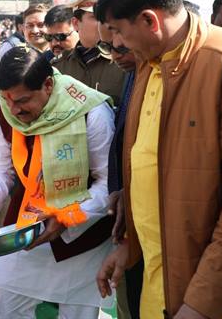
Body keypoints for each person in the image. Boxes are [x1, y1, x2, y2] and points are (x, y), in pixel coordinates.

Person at [94, 0, 222, 319]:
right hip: (157, 281)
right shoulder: (149, 59)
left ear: (149, 21)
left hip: (205, 297)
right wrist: (131, 246)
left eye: (117, 30)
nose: (115, 43)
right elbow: (151, 163)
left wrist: (199, 303)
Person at [0, 47, 116, 318]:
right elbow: (1, 170)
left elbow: (108, 184)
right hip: (27, 225)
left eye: (22, 100)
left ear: (48, 85)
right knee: (8, 308)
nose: (14, 109)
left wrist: (65, 216)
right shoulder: (4, 111)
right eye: (7, 99)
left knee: (78, 313)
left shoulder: (91, 112)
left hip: (84, 232)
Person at [98, 22, 142, 319]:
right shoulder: (133, 70)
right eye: (108, 47)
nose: (114, 55)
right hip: (127, 211)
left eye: (121, 47)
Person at [53, 0, 126, 107]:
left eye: (110, 17)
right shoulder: (59, 67)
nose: (106, 23)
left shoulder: (126, 62)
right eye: (98, 17)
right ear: (76, 23)